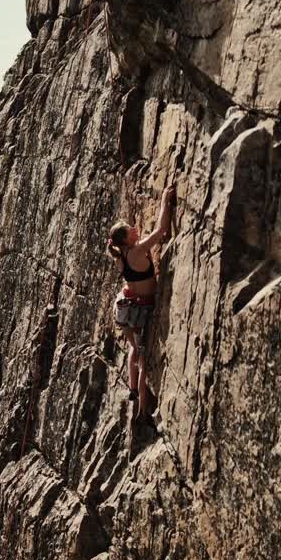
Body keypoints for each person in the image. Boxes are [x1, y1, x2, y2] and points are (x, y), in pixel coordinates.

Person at [108, 178, 176, 421]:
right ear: (126, 239)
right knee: (143, 357)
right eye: (131, 229)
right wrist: (165, 203)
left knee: (133, 349)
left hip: (125, 307)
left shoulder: (121, 256)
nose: (135, 229)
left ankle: (134, 390)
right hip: (142, 309)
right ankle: (142, 410)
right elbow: (161, 232)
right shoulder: (136, 250)